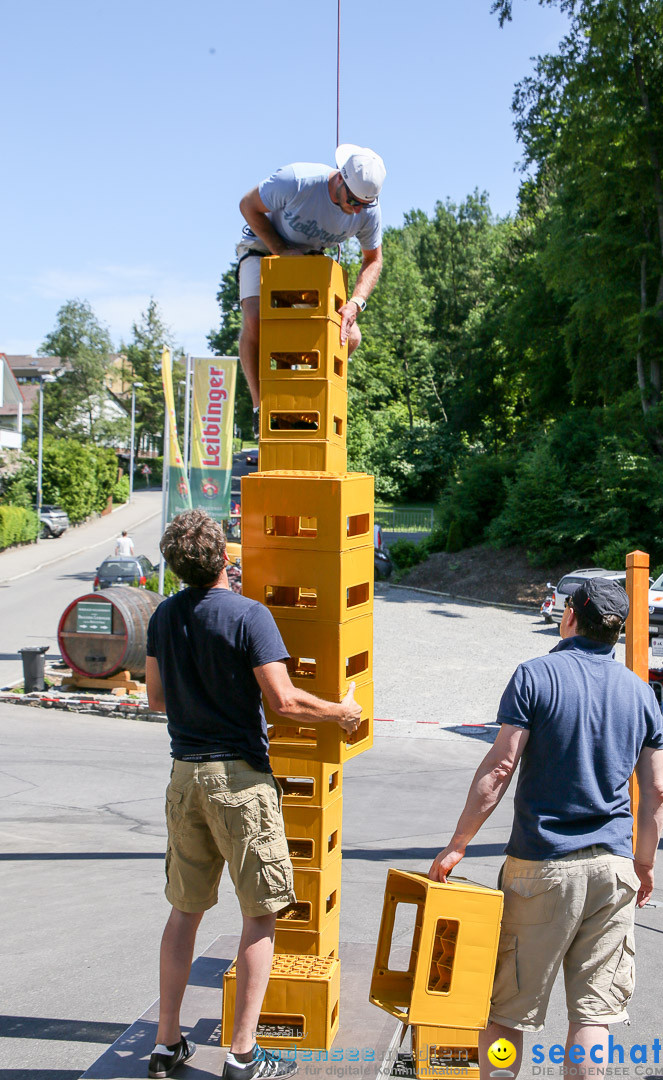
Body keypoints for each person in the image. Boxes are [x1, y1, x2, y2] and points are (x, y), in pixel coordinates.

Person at [145, 509, 362, 1080]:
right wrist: (342, 711)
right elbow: (284, 702)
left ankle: (166, 1046)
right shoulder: (250, 615)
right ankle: (242, 1055)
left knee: (183, 914)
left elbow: (156, 700)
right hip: (239, 779)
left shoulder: (164, 616)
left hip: (183, 775)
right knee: (262, 915)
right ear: (225, 558)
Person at [429, 578, 663, 1080]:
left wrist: (458, 845)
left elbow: (499, 770)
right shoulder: (641, 692)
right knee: (593, 1015)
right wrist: (642, 865)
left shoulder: (536, 676)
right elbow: (657, 793)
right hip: (614, 871)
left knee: (507, 1012)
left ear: (571, 617)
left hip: (541, 868)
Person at [237, 144, 385, 436]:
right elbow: (247, 206)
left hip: (310, 262)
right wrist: (280, 249)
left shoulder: (368, 212)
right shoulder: (296, 181)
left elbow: (373, 259)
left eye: (364, 205)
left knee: (350, 336)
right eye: (353, 201)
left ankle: (304, 399)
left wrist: (355, 303)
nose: (356, 210)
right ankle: (259, 409)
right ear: (340, 179)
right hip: (263, 247)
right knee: (255, 318)